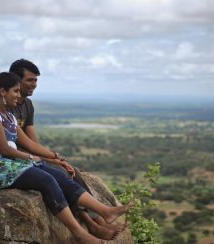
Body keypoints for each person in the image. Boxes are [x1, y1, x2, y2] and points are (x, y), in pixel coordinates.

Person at [0, 72, 133, 244]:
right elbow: (4, 149)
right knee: (46, 180)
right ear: (3, 91)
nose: (18, 95)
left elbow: (30, 144)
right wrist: (32, 158)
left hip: (6, 163)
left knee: (59, 175)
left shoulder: (9, 117)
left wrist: (55, 157)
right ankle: (79, 234)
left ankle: (105, 211)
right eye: (15, 91)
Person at [8, 59, 126, 239]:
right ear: (16, 80)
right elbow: (24, 144)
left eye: (36, 80)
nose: (34, 84)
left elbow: (33, 140)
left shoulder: (27, 105)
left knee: (72, 172)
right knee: (60, 175)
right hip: (19, 158)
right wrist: (51, 158)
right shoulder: (7, 107)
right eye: (30, 80)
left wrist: (55, 160)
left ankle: (98, 222)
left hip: (32, 156)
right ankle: (91, 223)